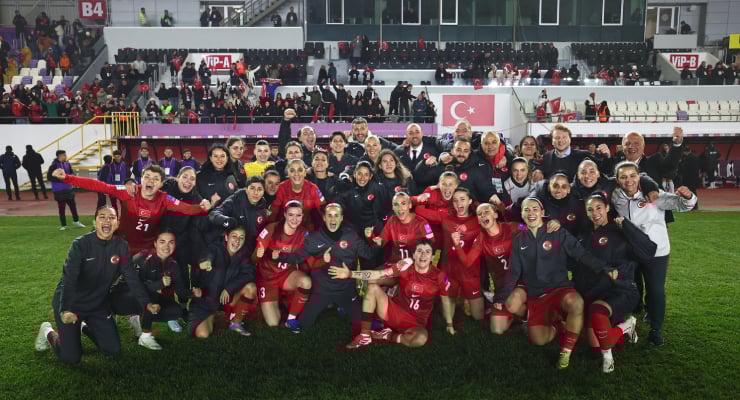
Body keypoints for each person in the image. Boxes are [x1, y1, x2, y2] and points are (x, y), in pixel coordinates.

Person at [497, 197, 616, 369]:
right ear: (522, 214)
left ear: (542, 213)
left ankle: (565, 352)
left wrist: (604, 267)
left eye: (535, 209)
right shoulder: (519, 241)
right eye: (526, 210)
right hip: (536, 294)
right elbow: (513, 272)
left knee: (576, 303)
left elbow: (580, 254)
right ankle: (559, 324)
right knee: (539, 340)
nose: (531, 213)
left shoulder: (557, 232)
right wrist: (501, 297)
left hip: (559, 287)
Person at [34, 207, 159, 364]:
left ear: (117, 223)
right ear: (95, 221)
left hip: (98, 304)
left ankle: (84, 326)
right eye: (102, 217)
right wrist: (66, 308)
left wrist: (146, 303)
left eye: (112, 218)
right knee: (71, 358)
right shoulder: (80, 245)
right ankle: (47, 331)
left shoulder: (121, 246)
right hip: (74, 304)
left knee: (112, 349)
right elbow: (69, 279)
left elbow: (132, 278)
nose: (107, 220)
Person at [611, 161, 697, 346]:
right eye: (623, 177)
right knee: (630, 287)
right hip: (630, 251)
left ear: (639, 176)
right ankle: (628, 319)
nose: (629, 180)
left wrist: (689, 197)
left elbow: (682, 205)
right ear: (617, 180)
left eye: (633, 175)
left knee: (656, 290)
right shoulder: (615, 196)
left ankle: (655, 330)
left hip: (656, 251)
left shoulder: (653, 195)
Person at [52, 164, 209, 255]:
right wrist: (67, 178)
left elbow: (186, 208)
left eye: (156, 179)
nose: (150, 181)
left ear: (161, 184)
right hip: (122, 244)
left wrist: (203, 209)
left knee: (159, 274)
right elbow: (99, 185)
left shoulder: (164, 198)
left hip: (148, 248)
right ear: (141, 178)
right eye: (147, 176)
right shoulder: (128, 191)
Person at [577, 193, 656, 373]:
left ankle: (609, 357)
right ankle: (625, 327)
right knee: (594, 346)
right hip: (594, 289)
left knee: (598, 314)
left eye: (599, 207)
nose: (595, 212)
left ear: (607, 208)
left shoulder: (620, 231)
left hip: (621, 289)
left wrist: (627, 225)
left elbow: (650, 250)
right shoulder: (584, 234)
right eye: (590, 209)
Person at [331, 240, 450, 348]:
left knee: (421, 338)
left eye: (427, 252)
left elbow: (445, 300)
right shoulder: (405, 266)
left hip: (416, 323)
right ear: (413, 255)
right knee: (372, 287)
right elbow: (378, 274)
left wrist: (449, 324)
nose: (423, 255)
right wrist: (350, 274)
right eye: (419, 251)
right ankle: (365, 335)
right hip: (394, 311)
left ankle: (388, 336)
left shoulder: (439, 276)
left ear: (432, 257)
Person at [299, 203, 377, 329]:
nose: (333, 219)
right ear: (324, 218)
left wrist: (372, 241)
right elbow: (302, 259)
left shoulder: (351, 236)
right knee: (304, 323)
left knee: (364, 323)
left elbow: (368, 254)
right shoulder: (314, 238)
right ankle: (328, 305)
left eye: (336, 216)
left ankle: (343, 305)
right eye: (329, 215)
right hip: (322, 290)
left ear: (341, 218)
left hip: (345, 289)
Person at [416, 187, 483, 329]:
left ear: (470, 201)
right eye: (455, 200)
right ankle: (458, 297)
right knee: (446, 313)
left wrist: (467, 224)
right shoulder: (446, 217)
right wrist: (427, 192)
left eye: (463, 199)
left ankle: (467, 298)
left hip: (469, 274)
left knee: (478, 316)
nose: (459, 203)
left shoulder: (478, 219)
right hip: (449, 272)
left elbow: (496, 217)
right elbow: (419, 211)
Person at [454, 203, 519, 333]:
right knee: (497, 329)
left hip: (521, 284)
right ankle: (517, 317)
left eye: (486, 211)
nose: (483, 215)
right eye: (480, 214)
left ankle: (531, 315)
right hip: (502, 289)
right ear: (478, 220)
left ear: (495, 214)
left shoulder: (511, 227)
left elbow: (533, 228)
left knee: (515, 302)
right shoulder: (481, 239)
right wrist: (457, 245)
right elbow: (468, 262)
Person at [190, 227, 258, 338]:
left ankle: (236, 323)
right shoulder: (215, 248)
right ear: (226, 237)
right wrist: (206, 261)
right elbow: (208, 254)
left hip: (227, 297)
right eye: (234, 236)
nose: (237, 241)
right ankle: (211, 315)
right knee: (203, 334)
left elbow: (249, 273)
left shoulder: (243, 255)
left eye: (241, 238)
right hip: (207, 299)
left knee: (251, 287)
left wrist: (229, 289)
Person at [255, 200, 312, 331]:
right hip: (267, 278)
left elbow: (306, 255)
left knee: (306, 282)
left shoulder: (304, 233)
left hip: (286, 275)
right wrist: (261, 253)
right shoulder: (271, 228)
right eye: (291, 214)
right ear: (285, 215)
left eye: (298, 215)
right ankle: (282, 301)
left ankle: (291, 320)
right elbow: (255, 257)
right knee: (273, 323)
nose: (295, 219)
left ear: (302, 216)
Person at [131, 230, 191, 350]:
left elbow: (180, 290)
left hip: (147, 295)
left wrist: (194, 293)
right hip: (126, 295)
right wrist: (160, 284)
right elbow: (135, 287)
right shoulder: (142, 258)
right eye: (162, 242)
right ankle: (145, 335)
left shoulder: (172, 263)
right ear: (155, 243)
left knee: (175, 310)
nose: (167, 246)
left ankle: (141, 317)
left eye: (171, 242)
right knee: (150, 296)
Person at [533, 124, 611, 181]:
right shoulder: (547, 156)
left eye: (564, 137)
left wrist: (607, 156)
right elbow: (539, 167)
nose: (560, 140)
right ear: (552, 141)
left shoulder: (584, 155)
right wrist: (538, 170)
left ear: (570, 139)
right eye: (557, 138)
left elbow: (604, 169)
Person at [47, 150, 85, 230]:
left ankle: (76, 221)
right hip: (59, 190)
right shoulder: (54, 165)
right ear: (60, 156)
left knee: (73, 206)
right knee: (61, 208)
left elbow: (71, 172)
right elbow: (49, 177)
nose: (66, 156)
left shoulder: (67, 163)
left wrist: (74, 178)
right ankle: (63, 225)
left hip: (68, 189)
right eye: (64, 155)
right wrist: (61, 179)